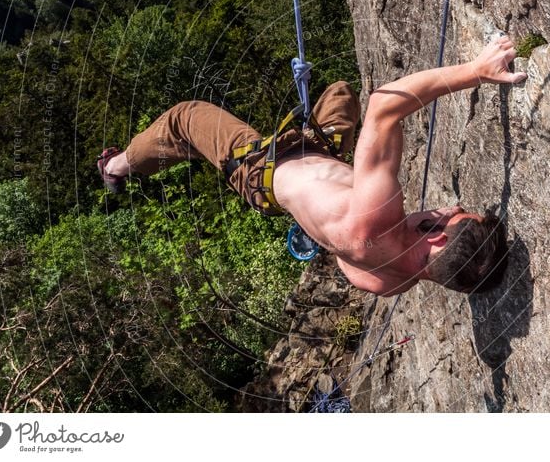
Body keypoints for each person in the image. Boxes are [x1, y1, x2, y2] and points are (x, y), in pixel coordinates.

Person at [98, 35, 527, 296]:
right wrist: (411, 222)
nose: (449, 210)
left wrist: (476, 71)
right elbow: (347, 252)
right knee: (340, 93)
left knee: (184, 118)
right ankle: (302, 137)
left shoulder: (378, 214)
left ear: (436, 244)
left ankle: (119, 166)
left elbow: (384, 106)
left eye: (454, 219)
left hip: (262, 168)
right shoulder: (392, 282)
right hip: (316, 153)